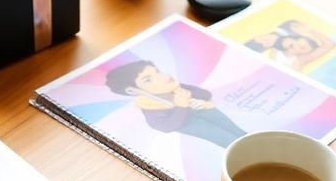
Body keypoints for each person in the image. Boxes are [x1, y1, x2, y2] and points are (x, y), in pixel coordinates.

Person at [105, 60, 246, 148]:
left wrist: (193, 98)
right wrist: (181, 107)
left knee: (239, 133)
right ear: (134, 91)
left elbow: (205, 94)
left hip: (208, 111)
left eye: (158, 72)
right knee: (230, 141)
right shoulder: (150, 106)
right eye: (148, 80)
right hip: (193, 125)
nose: (163, 77)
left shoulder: (175, 87)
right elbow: (164, 126)